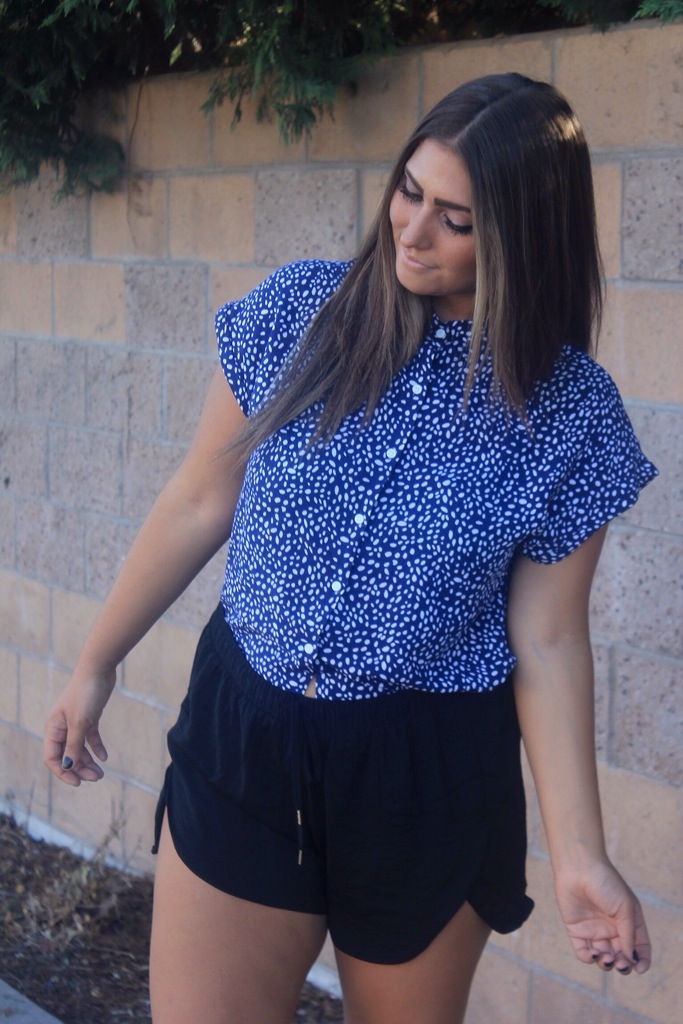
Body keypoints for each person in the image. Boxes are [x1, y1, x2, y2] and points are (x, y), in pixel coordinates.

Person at [44, 73, 655, 1024]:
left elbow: (547, 641)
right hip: (245, 743)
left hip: (429, 777)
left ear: (524, 235)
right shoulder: (301, 311)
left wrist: (581, 856)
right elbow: (200, 498)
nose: (412, 231)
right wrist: (95, 661)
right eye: (409, 191)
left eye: (456, 220)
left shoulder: (568, 412)